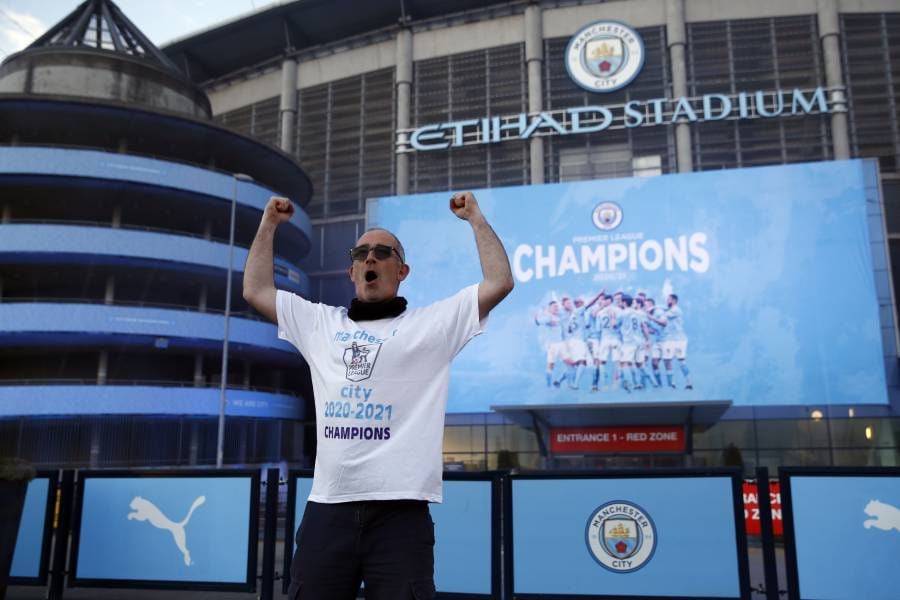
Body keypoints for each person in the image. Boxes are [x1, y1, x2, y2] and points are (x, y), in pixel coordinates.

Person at [242, 190, 513, 600]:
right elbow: (256, 291)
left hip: (400, 515)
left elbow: (499, 282)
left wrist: (475, 218)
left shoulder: (432, 326)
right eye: (361, 252)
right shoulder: (320, 324)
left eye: (383, 252)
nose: (370, 258)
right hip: (328, 508)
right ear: (351, 271)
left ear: (402, 271)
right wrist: (268, 226)